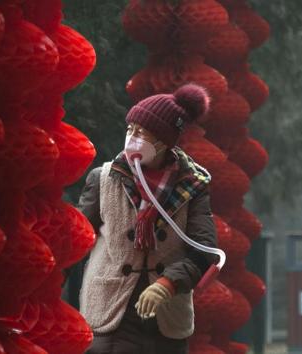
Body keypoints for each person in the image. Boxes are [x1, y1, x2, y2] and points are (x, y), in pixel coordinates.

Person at [78, 84, 218, 354]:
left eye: (141, 132)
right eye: (130, 129)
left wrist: (167, 284)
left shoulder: (193, 186)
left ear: (163, 141)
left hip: (165, 319)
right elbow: (75, 242)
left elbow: (203, 250)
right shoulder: (104, 179)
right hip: (110, 313)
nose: (132, 137)